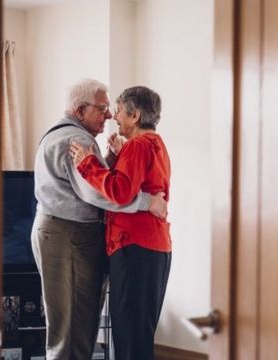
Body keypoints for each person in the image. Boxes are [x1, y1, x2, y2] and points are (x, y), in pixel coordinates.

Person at [31, 78, 166, 360]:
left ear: (135, 116)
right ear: (80, 110)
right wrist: (147, 202)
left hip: (69, 234)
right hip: (70, 236)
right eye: (104, 109)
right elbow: (102, 193)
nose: (109, 116)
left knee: (75, 321)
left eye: (113, 109)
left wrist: (105, 159)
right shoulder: (77, 140)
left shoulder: (62, 133)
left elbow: (106, 184)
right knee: (73, 324)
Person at [69, 86, 171, 360]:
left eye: (119, 111)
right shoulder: (156, 145)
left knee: (128, 334)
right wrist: (120, 155)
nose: (114, 117)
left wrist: (87, 163)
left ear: (135, 115)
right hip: (155, 247)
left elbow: (121, 192)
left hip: (133, 247)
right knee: (139, 333)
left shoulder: (137, 146)